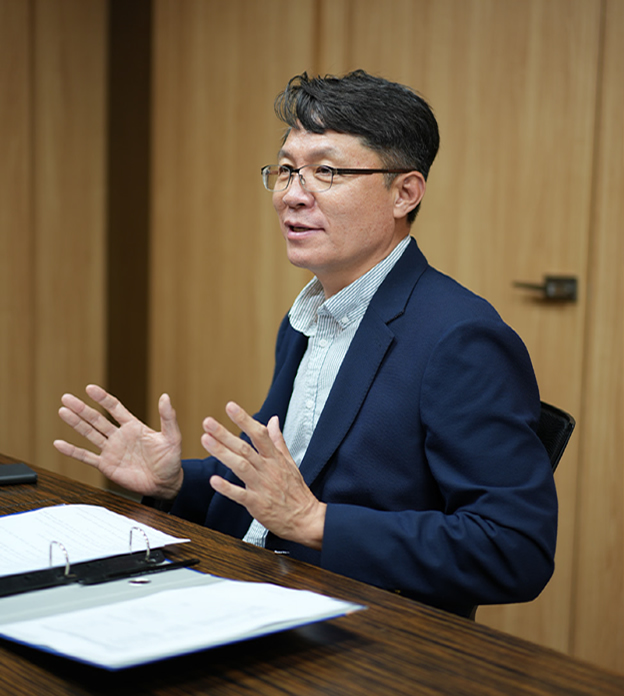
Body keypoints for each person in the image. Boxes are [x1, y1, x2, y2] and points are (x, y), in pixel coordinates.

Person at [54, 70, 557, 618]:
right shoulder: (309, 315)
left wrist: (316, 522)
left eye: (327, 171)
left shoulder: (461, 338)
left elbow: (514, 549)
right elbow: (282, 482)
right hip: (257, 587)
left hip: (363, 628)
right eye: (287, 170)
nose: (293, 195)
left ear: (404, 193)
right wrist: (176, 481)